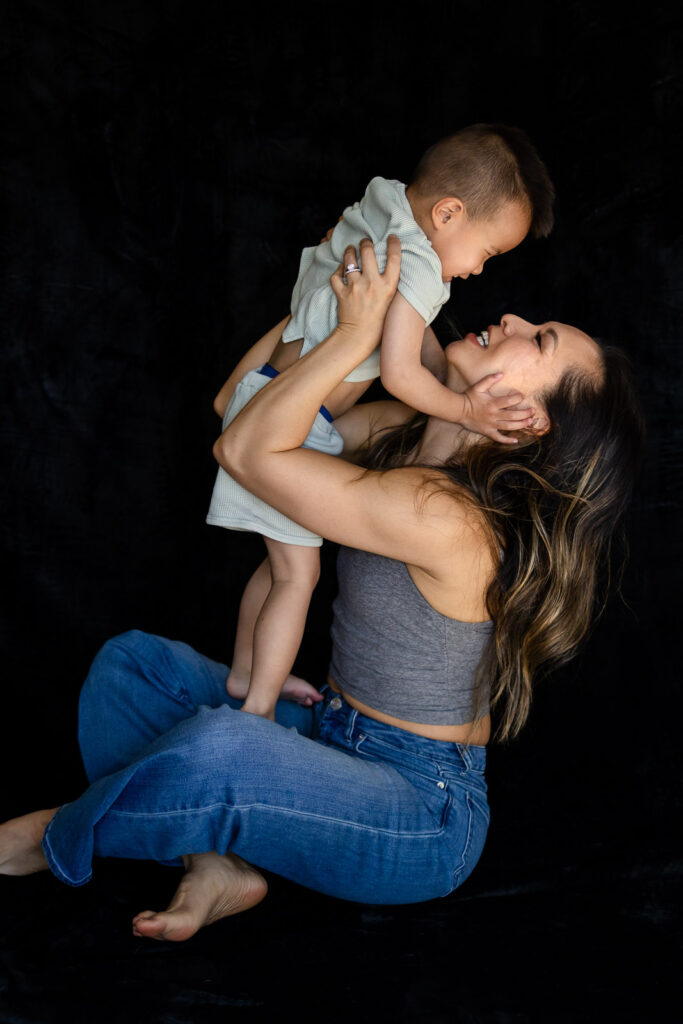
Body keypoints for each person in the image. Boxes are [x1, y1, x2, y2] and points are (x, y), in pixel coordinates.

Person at [0, 238, 643, 944]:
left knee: (222, 749)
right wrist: (318, 305)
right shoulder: (405, 434)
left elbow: (246, 451)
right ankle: (214, 864)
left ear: (530, 419)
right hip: (335, 726)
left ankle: (53, 836)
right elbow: (240, 410)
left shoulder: (453, 518)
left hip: (419, 814)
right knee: (133, 668)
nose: (514, 318)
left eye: (539, 339)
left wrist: (352, 333)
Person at [207, 123, 555, 722]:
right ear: (448, 213)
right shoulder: (417, 266)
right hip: (292, 418)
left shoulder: (383, 208)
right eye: (487, 253)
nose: (477, 272)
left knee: (277, 565)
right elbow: (399, 370)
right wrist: (467, 408)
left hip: (263, 391)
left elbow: (413, 344)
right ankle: (256, 711)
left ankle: (244, 669)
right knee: (296, 577)